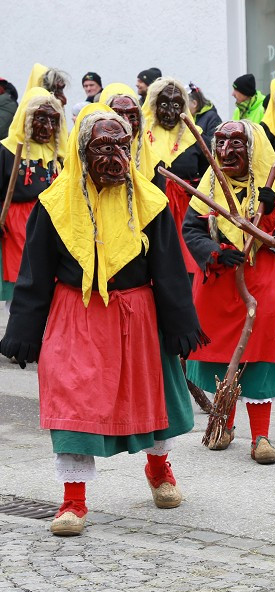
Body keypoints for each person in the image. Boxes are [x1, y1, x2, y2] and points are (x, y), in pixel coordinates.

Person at [0, 103, 203, 537]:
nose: (114, 156)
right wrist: (22, 333)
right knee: (72, 403)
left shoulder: (151, 201)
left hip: (138, 315)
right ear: (81, 152)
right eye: (102, 146)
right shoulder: (54, 204)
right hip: (76, 315)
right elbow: (34, 274)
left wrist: (180, 325)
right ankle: (73, 500)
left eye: (121, 145)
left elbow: (168, 270)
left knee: (148, 399)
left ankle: (160, 470)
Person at [183, 120, 275, 461]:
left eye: (235, 144)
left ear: (253, 150)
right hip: (218, 283)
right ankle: (226, 425)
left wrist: (270, 213)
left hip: (260, 280)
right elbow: (191, 229)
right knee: (224, 356)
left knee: (260, 354)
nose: (225, 152)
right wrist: (215, 252)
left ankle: (261, 437)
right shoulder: (209, 185)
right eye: (219, 143)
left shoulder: (271, 187)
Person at [0, 88, 65, 303]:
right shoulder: (7, 151)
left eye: (54, 121)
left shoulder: (59, 156)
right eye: (40, 119)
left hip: (54, 222)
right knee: (22, 278)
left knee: (50, 275)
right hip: (19, 224)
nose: (47, 128)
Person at [143, 77, 205, 275]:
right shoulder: (141, 138)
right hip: (152, 213)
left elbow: (208, 177)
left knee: (187, 270)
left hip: (188, 216)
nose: (170, 112)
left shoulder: (195, 139)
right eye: (163, 105)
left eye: (176, 105)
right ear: (153, 105)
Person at [99, 83, 153, 182]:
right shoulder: (92, 158)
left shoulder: (153, 161)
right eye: (118, 115)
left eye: (132, 116)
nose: (127, 124)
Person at [187, 82, 224, 158]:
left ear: (194, 103)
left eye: (184, 104)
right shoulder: (191, 117)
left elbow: (215, 146)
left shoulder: (212, 118)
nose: (182, 108)